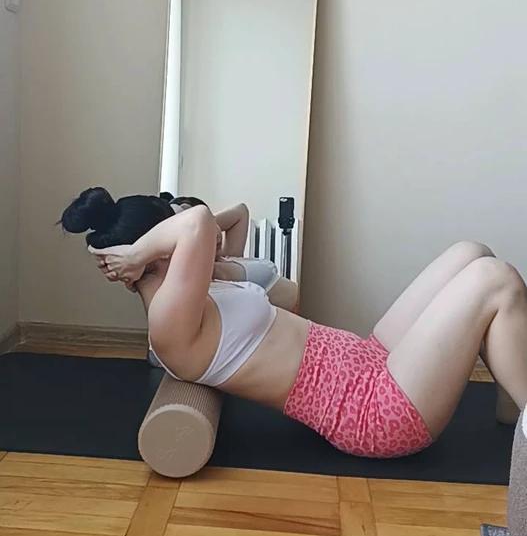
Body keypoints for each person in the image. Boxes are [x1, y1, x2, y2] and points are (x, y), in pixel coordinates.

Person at [60, 187, 525, 458]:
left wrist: (142, 251)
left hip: (370, 359)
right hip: (373, 410)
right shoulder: (168, 322)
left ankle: (513, 404)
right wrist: (137, 254)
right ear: (158, 251)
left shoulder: (204, 286)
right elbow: (198, 222)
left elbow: (222, 220)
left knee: (471, 253)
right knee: (494, 279)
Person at [162, 193, 298, 312]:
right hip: (298, 317)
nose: (217, 232)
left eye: (211, 221)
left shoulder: (227, 255)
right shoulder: (208, 272)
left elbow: (241, 211)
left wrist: (206, 223)